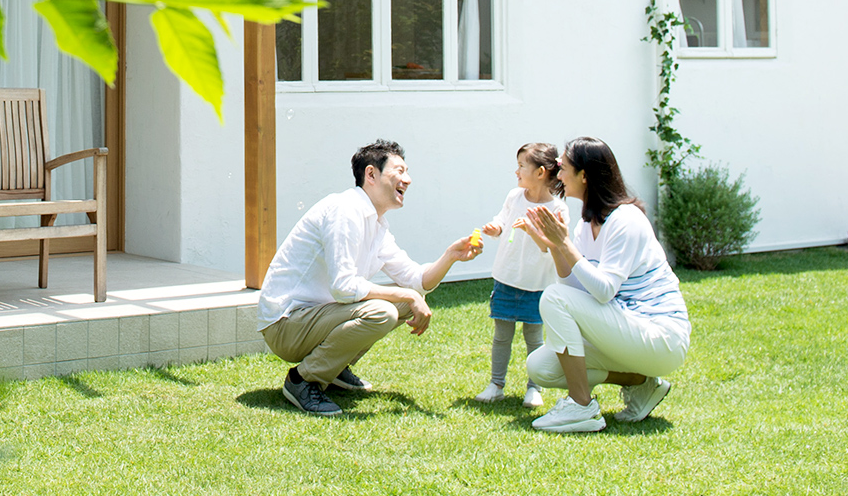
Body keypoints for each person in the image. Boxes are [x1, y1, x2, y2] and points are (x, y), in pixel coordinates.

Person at [257, 140, 482, 416]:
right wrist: (408, 295)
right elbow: (344, 287)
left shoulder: (376, 224)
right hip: (286, 324)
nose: (408, 180)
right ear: (371, 175)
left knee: (406, 300)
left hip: (315, 317)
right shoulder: (344, 210)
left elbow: (416, 280)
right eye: (399, 171)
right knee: (383, 311)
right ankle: (303, 381)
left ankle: (335, 368)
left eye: (407, 171)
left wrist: (450, 256)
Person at [523, 137, 690, 433]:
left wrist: (565, 245)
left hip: (661, 336)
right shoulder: (585, 225)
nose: (558, 175)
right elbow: (575, 290)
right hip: (628, 328)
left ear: (584, 175)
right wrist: (556, 247)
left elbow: (603, 291)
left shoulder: (626, 220)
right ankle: (642, 382)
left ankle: (581, 406)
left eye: (564, 168)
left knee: (553, 297)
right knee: (541, 366)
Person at [473, 142, 569, 408]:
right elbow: (503, 221)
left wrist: (532, 230)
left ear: (540, 172)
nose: (516, 172)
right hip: (506, 278)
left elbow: (551, 248)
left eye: (521, 166)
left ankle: (534, 387)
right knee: (501, 335)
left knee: (534, 339)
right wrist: (495, 228)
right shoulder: (514, 197)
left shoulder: (558, 210)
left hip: (538, 284)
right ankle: (496, 384)